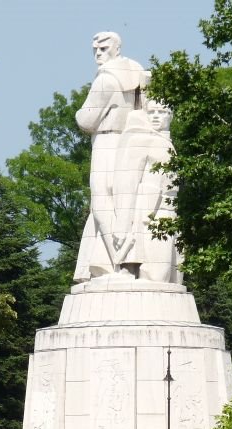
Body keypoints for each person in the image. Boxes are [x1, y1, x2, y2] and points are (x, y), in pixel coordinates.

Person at [73, 31, 145, 281]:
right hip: (131, 141)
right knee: (123, 203)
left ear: (116, 48)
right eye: (95, 50)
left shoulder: (106, 79)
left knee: (102, 202)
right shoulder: (137, 72)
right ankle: (113, 263)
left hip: (107, 140)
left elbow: (86, 119)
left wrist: (78, 114)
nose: (98, 55)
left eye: (103, 49)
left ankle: (119, 261)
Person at [109, 97, 180, 282]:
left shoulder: (167, 144)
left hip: (171, 213)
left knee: (173, 276)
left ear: (170, 115)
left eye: (162, 112)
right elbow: (127, 180)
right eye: (151, 112)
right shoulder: (140, 139)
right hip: (150, 216)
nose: (156, 116)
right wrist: (123, 222)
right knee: (157, 276)